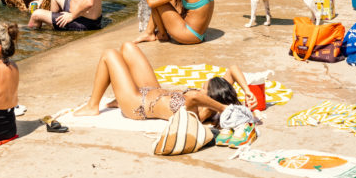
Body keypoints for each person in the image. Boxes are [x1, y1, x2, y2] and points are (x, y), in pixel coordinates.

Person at [73, 42, 254, 120]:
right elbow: (233, 69)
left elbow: (193, 96)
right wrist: (247, 91)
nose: (200, 87)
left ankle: (93, 106)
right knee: (128, 47)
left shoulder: (197, 111)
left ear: (209, 96)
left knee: (109, 54)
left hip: (137, 105)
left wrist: (224, 109)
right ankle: (119, 98)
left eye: (203, 87)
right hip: (150, 91)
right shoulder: (208, 101)